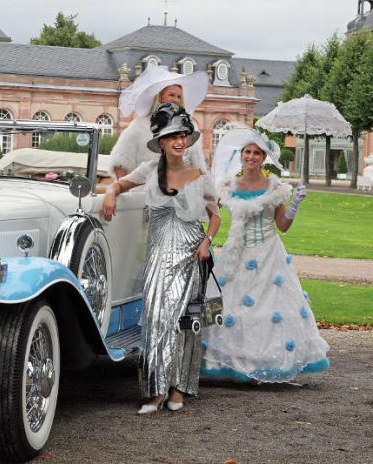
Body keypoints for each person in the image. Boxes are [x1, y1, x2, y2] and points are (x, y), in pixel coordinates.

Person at [100, 103, 221, 414]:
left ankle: (179, 389)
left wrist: (207, 241)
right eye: (172, 136)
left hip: (191, 252)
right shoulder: (150, 171)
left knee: (185, 321)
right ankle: (155, 390)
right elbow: (118, 182)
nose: (179, 141)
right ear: (162, 142)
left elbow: (215, 216)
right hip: (157, 256)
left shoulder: (199, 175)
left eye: (183, 135)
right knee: (155, 320)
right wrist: (111, 195)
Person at [201, 128, 330, 383]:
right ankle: (233, 362)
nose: (251, 157)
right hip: (235, 254)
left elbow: (283, 226)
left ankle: (267, 362)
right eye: (247, 152)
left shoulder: (274, 186)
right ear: (241, 156)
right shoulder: (227, 186)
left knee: (269, 309)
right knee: (228, 305)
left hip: (268, 256)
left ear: (263, 157)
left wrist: (294, 205)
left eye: (256, 153)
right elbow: (211, 213)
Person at [110, 66, 209, 180]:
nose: (176, 100)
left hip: (179, 192)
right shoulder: (139, 126)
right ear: (160, 97)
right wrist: (125, 192)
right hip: (143, 192)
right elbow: (120, 163)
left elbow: (198, 165)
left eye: (179, 96)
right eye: (171, 95)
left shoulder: (189, 127)